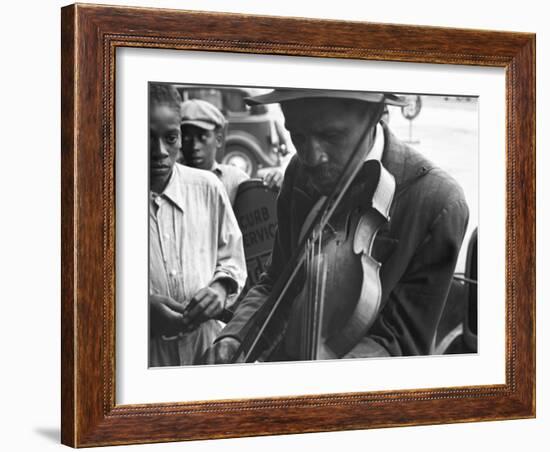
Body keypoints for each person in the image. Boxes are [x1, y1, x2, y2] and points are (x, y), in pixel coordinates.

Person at [203, 89, 469, 364]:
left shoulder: (437, 202)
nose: (311, 157)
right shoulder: (298, 171)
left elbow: (400, 344)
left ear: (376, 116)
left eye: (332, 137)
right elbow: (277, 281)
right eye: (298, 136)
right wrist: (234, 337)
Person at [148, 84, 246, 366]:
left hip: (206, 351)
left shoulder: (208, 187)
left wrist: (219, 289)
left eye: (170, 138)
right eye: (146, 138)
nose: (160, 151)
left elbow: (233, 260)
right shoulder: (103, 195)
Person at [179, 99, 283, 205]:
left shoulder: (235, 180)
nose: (194, 146)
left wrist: (276, 187)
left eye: (203, 137)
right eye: (186, 138)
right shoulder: (172, 181)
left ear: (218, 140)